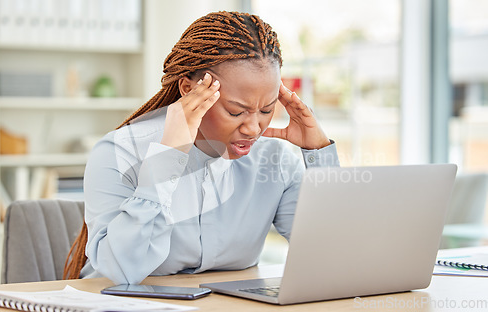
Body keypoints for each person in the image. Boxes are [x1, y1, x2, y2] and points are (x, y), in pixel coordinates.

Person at [64, 11, 339, 285]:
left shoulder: (274, 161)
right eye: (236, 111)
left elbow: (330, 255)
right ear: (188, 88)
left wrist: (319, 155)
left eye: (267, 109)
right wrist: (167, 159)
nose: (254, 128)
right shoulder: (119, 152)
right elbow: (122, 270)